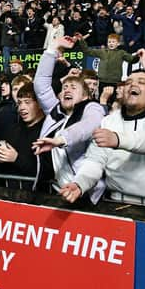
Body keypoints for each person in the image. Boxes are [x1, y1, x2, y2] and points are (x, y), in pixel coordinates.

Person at [60, 70, 145, 205]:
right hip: (114, 202)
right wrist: (80, 184)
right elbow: (95, 160)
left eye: (141, 82)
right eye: (128, 82)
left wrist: (117, 139)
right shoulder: (109, 121)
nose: (133, 85)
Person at [33, 37, 106, 198]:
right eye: (65, 87)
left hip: (84, 193)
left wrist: (61, 139)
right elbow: (40, 85)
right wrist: (53, 48)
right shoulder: (55, 110)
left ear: (85, 96)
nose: (67, 90)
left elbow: (90, 125)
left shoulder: (92, 108)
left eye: (73, 87)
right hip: (52, 190)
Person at [0, 83, 45, 177]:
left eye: (27, 102)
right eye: (19, 103)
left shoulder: (47, 133)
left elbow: (46, 171)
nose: (22, 108)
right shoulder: (14, 130)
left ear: (39, 104)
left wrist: (16, 159)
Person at [78, 33, 145, 90]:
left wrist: (137, 55)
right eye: (109, 42)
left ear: (118, 43)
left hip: (115, 81)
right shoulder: (102, 52)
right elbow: (87, 51)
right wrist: (81, 40)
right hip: (102, 81)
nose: (111, 43)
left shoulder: (121, 53)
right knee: (102, 98)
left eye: (113, 42)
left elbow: (132, 60)